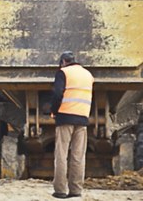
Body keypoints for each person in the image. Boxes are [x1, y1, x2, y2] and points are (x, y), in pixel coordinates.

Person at [46, 51, 92, 199]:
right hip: (82, 118)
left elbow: (58, 93)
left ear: (63, 62)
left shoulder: (63, 72)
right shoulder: (88, 74)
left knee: (61, 154)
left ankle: (60, 190)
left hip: (65, 117)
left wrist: (53, 111)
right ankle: (76, 190)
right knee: (78, 156)